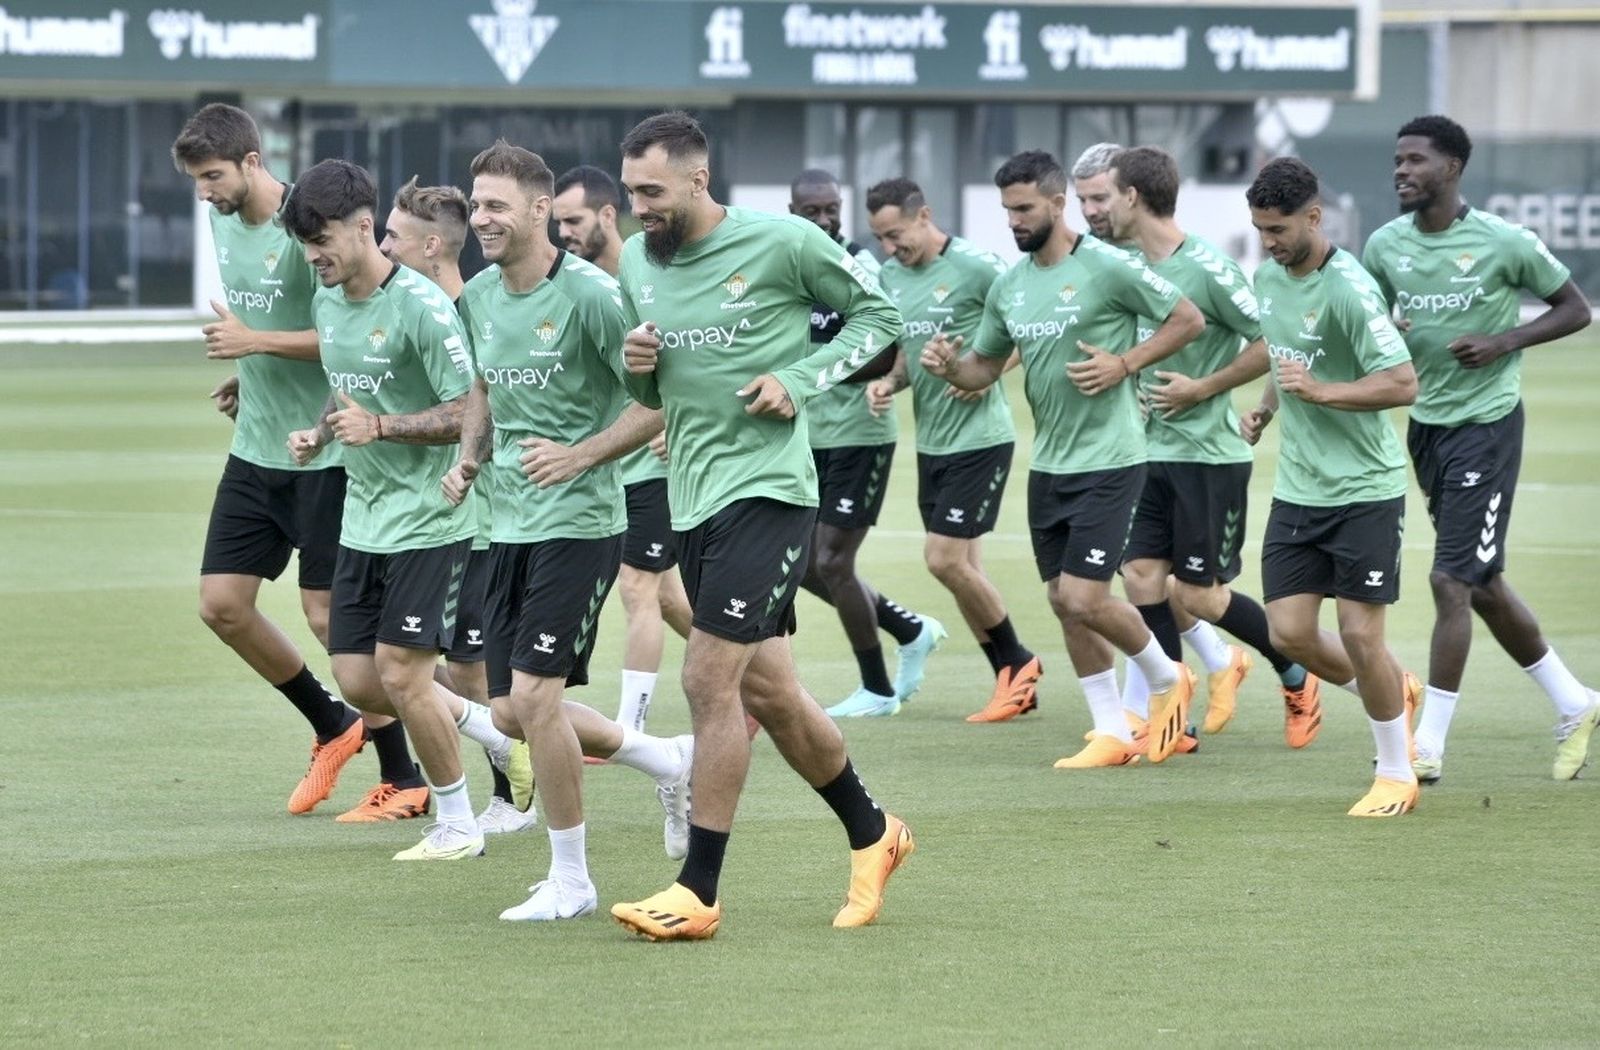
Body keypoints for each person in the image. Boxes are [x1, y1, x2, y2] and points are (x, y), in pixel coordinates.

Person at [608, 111, 913, 941]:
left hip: (771, 492)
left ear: (699, 181)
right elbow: (657, 396)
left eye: (653, 191)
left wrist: (801, 378)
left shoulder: (782, 243)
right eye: (631, 190)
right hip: (693, 498)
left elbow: (881, 321)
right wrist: (638, 372)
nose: (640, 208)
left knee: (708, 683)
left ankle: (697, 890)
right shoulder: (640, 261)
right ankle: (873, 831)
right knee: (770, 691)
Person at [440, 141, 693, 921]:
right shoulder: (479, 296)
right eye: (476, 205)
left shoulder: (589, 296)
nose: (479, 218)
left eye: (494, 205)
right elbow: (483, 381)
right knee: (512, 710)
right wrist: (469, 458)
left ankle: (573, 880)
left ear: (540, 210)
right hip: (506, 523)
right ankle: (665, 757)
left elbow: (656, 401)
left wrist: (580, 456)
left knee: (539, 702)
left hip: (581, 524)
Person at [173, 104, 421, 818]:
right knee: (222, 607)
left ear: (253, 161)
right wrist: (247, 374)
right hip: (255, 448)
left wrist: (253, 344)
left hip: (326, 453)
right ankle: (330, 722)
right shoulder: (223, 219)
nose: (205, 192)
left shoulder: (306, 230)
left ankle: (404, 778)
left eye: (213, 175)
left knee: (327, 618)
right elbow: (262, 332)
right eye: (196, 179)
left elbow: (338, 334)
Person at [920, 150, 1204, 768]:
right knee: (1060, 599)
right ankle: (1110, 729)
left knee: (1083, 597)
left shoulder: (1107, 266)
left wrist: (1125, 363)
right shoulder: (1009, 286)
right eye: (1007, 211)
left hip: (1112, 458)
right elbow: (984, 369)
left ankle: (1165, 677)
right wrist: (952, 367)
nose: (1015, 221)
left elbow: (1188, 319)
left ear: (1057, 203)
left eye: (1024, 208)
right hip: (1049, 463)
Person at [1363, 115, 1597, 781]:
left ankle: (1428, 745)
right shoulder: (1385, 246)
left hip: (1487, 427)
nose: (1402, 171)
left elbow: (1574, 308)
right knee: (1483, 581)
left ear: (1453, 167)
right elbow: (1374, 325)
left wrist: (1502, 342)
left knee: (1451, 580)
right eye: (1397, 160)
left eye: (1415, 160)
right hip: (1427, 427)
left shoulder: (1502, 241)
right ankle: (1575, 701)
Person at [281, 158, 500, 859]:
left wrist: (380, 428)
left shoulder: (421, 306)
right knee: (357, 677)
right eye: (304, 245)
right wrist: (320, 434)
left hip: (431, 518)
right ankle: (495, 730)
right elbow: (346, 389)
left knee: (403, 675)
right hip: (365, 519)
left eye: (322, 241)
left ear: (363, 227)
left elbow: (472, 411)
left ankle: (459, 823)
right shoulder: (326, 298)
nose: (313, 257)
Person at [1105, 147, 1311, 746]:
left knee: (1199, 595)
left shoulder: (1209, 268)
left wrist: (1203, 388)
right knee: (1141, 576)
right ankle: (1174, 719)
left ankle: (1295, 670)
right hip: (1147, 453)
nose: (1103, 209)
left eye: (1109, 195)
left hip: (1208, 458)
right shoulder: (1127, 265)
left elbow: (1270, 342)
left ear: (1133, 197)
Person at [1240, 156, 1423, 816]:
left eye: (1279, 228)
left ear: (1315, 218)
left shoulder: (1349, 288)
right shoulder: (1267, 276)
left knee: (1360, 636)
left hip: (1365, 490)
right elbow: (1288, 356)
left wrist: (1321, 391)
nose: (1268, 241)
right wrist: (1267, 406)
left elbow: (1402, 383)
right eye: (1260, 228)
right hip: (1300, 490)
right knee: (1288, 634)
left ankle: (1396, 770)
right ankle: (1392, 692)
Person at [369, 176, 533, 832]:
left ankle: (508, 799)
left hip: (484, 521)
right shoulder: (410, 310)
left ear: (432, 245)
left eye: (393, 237)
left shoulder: (470, 317)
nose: (382, 247)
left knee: (468, 674)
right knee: (421, 669)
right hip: (429, 519)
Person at [863, 177, 1038, 723]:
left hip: (981, 441)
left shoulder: (978, 267)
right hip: (933, 442)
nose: (891, 248)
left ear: (924, 215)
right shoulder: (891, 276)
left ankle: (1020, 660)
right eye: (881, 239)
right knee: (966, 570)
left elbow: (1023, 328)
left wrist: (987, 375)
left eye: (895, 234)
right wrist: (889, 383)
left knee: (942, 559)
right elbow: (911, 355)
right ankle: (1010, 683)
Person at [785, 168, 945, 719]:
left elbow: (882, 354)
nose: (826, 220)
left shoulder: (864, 266)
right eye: (813, 212)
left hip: (860, 435)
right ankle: (910, 627)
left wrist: (808, 373)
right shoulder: (789, 266)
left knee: (831, 560)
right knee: (804, 564)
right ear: (793, 211)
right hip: (808, 438)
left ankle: (877, 687)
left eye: (832, 209)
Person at [553, 164, 693, 734]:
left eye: (574, 220)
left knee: (637, 588)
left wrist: (673, 420)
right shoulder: (575, 285)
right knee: (666, 599)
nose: (563, 231)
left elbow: (696, 353)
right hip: (612, 469)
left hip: (656, 464)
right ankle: (762, 679)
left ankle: (630, 729)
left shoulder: (652, 270)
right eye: (557, 220)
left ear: (609, 216)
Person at [1071, 142, 1121, 241]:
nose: (1089, 211)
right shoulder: (1075, 251)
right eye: (1082, 200)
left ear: (1131, 195)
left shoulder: (1157, 250)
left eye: (1099, 199)